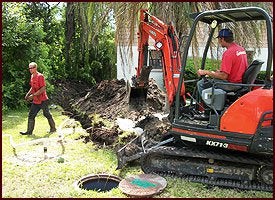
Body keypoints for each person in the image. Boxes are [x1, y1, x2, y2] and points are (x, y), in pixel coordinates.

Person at [197, 28, 248, 99]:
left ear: (222, 39)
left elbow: (224, 76)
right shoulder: (240, 49)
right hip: (240, 82)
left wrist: (206, 72)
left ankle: (208, 107)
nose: (218, 42)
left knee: (201, 84)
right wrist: (217, 73)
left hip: (233, 84)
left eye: (219, 39)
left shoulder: (228, 53)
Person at [20, 62, 56, 135]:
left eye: (32, 68)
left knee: (47, 114)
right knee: (31, 115)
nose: (30, 69)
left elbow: (43, 88)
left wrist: (33, 95)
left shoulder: (40, 76)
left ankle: (53, 128)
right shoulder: (32, 76)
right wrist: (28, 94)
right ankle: (29, 132)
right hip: (36, 100)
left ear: (35, 68)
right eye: (29, 68)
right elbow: (32, 87)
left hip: (43, 100)